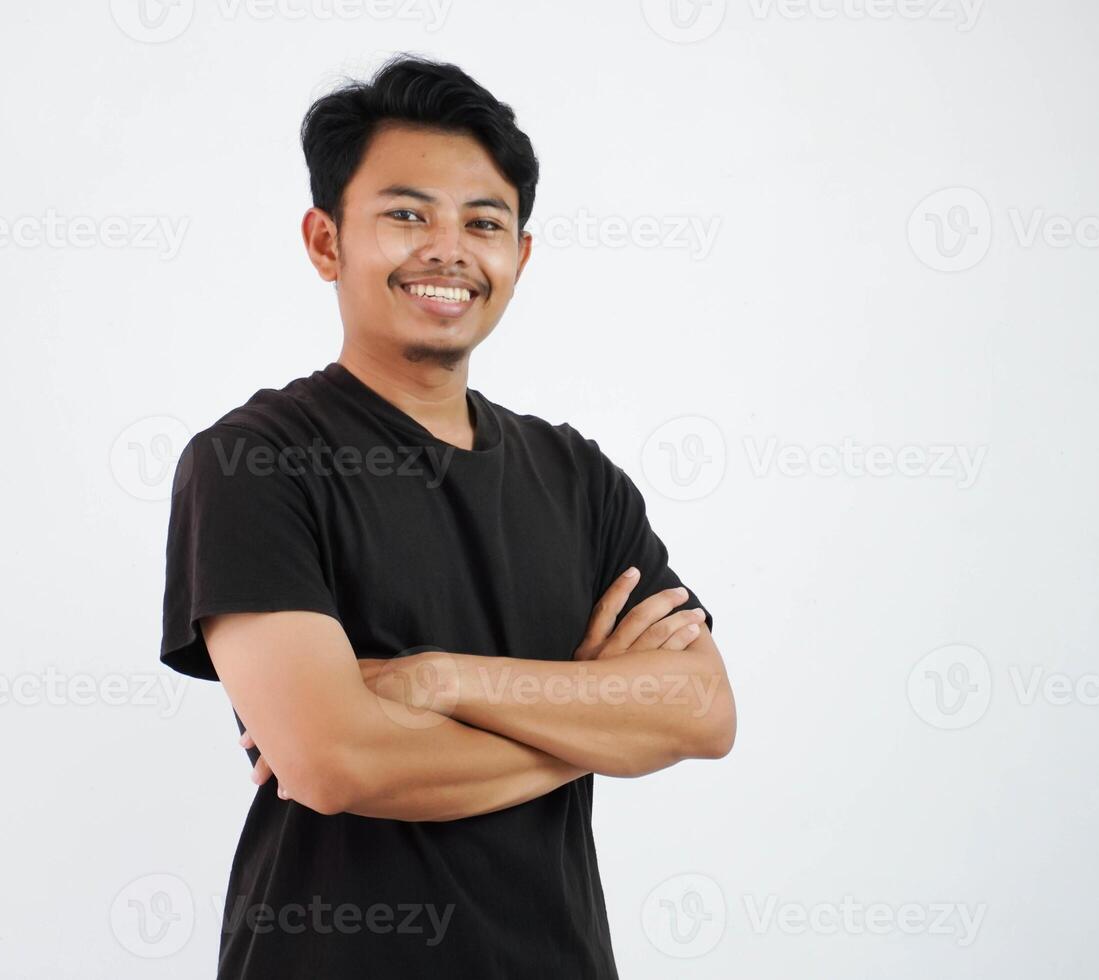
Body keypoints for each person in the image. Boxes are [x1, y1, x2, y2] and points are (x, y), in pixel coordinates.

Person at [160, 54, 736, 979]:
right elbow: (335, 763)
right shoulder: (254, 460)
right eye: (405, 214)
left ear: (521, 256)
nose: (448, 249)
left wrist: (436, 681)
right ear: (325, 241)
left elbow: (702, 713)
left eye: (484, 222)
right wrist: (589, 730)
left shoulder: (578, 476)